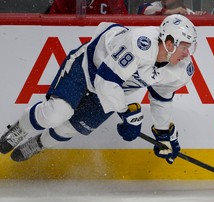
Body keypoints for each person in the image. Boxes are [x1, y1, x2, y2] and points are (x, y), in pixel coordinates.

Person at [0, 14, 197, 164]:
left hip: (112, 90)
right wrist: (126, 113)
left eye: (190, 47)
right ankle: (20, 129)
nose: (188, 53)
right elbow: (105, 81)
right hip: (87, 68)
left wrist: (163, 134)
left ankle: (39, 143)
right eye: (184, 47)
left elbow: (161, 98)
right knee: (57, 113)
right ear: (169, 43)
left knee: (70, 127)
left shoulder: (181, 69)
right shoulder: (140, 43)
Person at [48, 0, 128, 15]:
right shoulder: (64, 1)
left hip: (103, 44)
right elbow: (51, 28)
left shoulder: (113, 2)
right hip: (70, 43)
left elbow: (123, 27)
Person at [137, 0, 207, 15]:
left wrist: (198, 16)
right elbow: (143, 9)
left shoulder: (188, 12)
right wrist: (172, 11)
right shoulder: (156, 5)